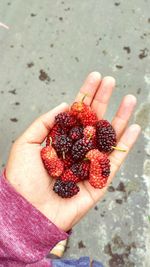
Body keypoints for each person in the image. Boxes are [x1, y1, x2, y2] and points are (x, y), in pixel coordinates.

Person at [0, 72, 141, 267]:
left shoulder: (85, 144)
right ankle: (50, 254)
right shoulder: (73, 154)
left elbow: (86, 150)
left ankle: (46, 251)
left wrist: (17, 220)